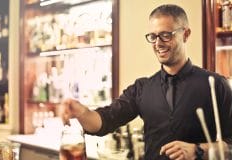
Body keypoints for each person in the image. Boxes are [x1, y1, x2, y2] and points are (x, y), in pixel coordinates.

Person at [61, 4, 232, 160]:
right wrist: (81, 112)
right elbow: (104, 121)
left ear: (185, 34)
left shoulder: (215, 84)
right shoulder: (141, 89)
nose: (158, 43)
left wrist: (197, 150)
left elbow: (230, 146)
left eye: (166, 35)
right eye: (153, 36)